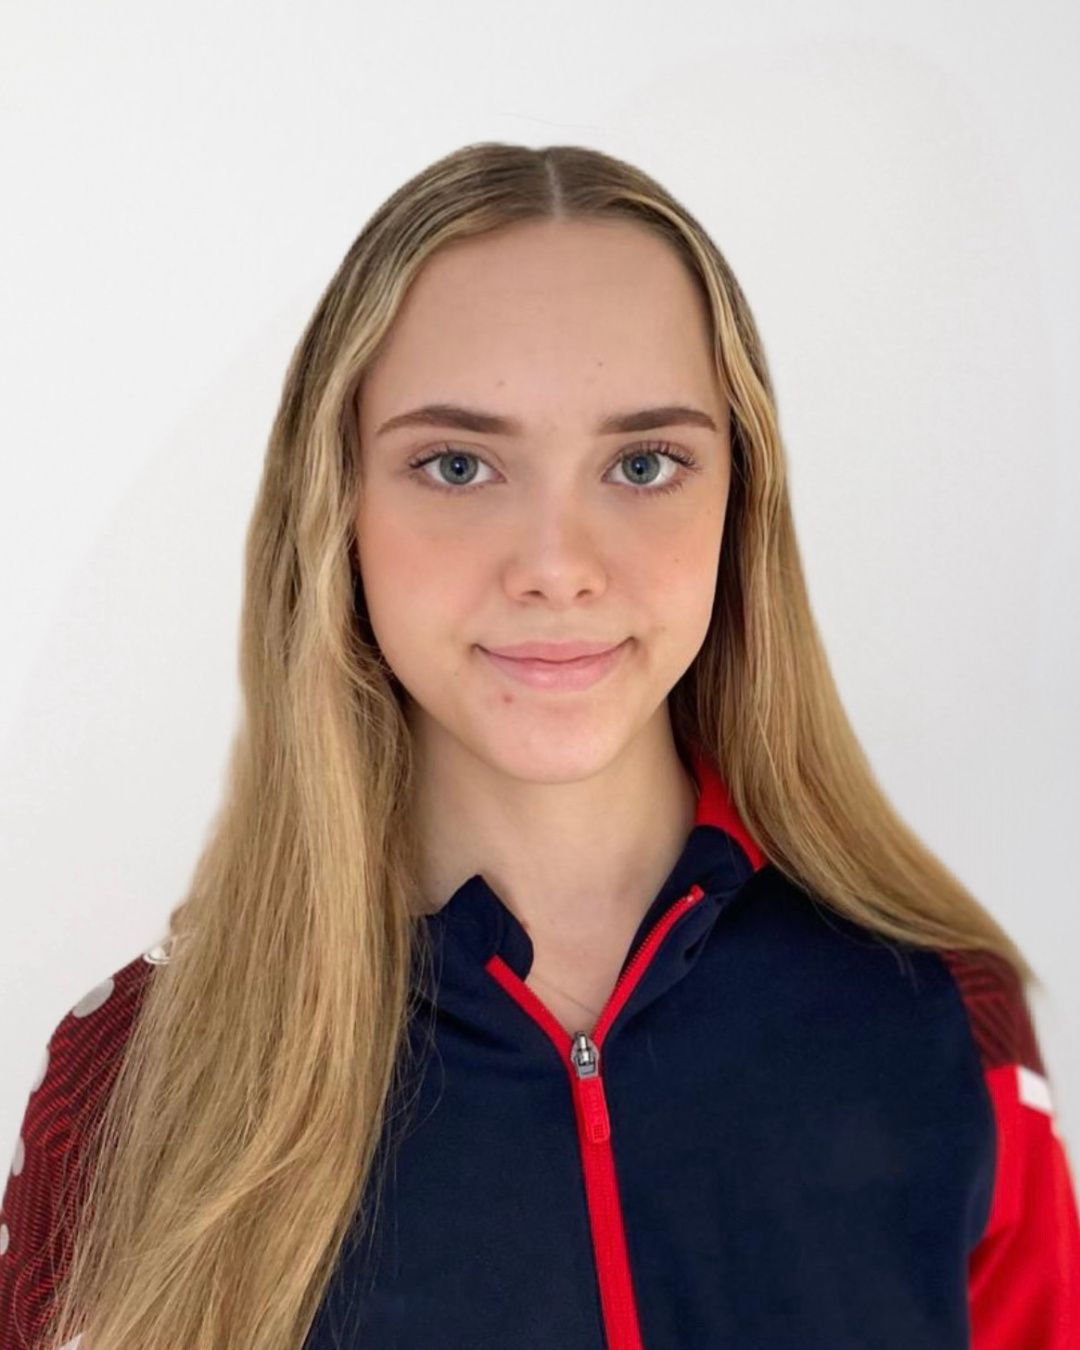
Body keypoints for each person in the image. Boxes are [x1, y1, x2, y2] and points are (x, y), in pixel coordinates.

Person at [2, 141, 1078, 1350]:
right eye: (458, 465)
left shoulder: (946, 1021)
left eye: (644, 464)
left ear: (740, 502)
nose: (558, 567)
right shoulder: (132, 1088)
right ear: (337, 506)